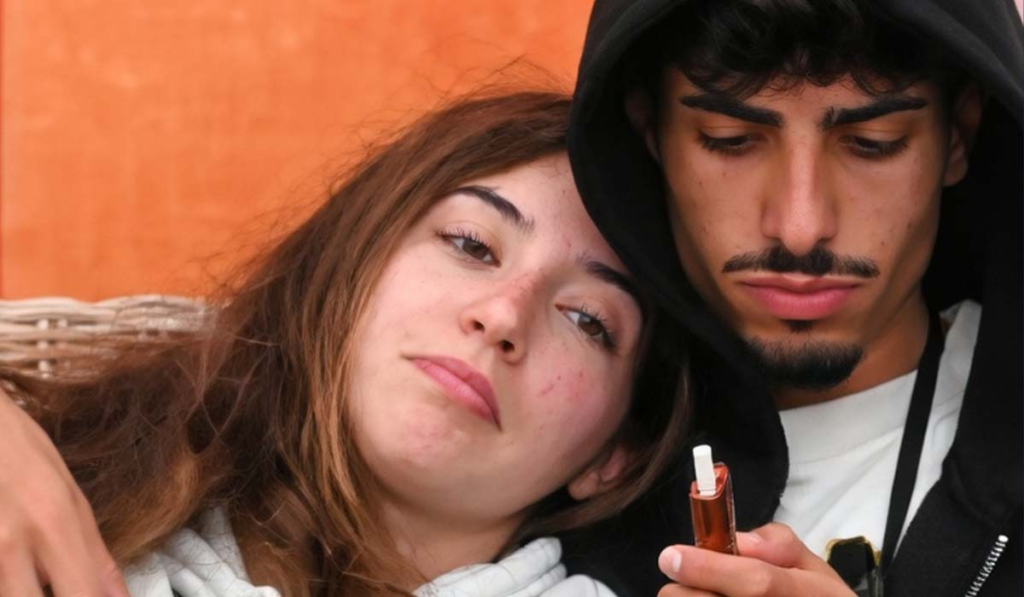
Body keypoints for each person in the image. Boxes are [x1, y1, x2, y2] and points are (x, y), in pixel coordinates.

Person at [0, 92, 692, 596]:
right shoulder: (64, 483)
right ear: (349, 268)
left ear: (615, 456)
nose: (504, 315)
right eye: (471, 245)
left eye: (587, 319)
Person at [561, 0, 1022, 595]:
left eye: (872, 142)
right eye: (730, 140)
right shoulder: (551, 454)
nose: (800, 228)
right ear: (650, 132)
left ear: (958, 134)